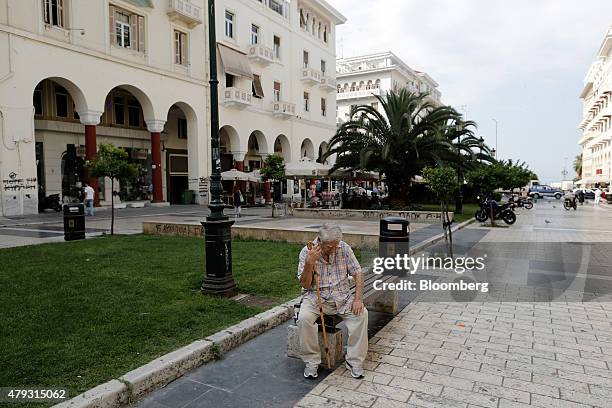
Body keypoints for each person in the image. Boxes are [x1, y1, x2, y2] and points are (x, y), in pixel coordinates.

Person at [297, 224, 368, 380]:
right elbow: (305, 284)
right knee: (303, 319)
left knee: (361, 314)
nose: (334, 249)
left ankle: (354, 361)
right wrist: (309, 263)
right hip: (316, 298)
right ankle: (311, 361)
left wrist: (358, 299)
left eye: (336, 246)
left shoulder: (343, 247)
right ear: (320, 241)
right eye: (330, 247)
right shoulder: (307, 252)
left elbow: (358, 273)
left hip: (342, 297)